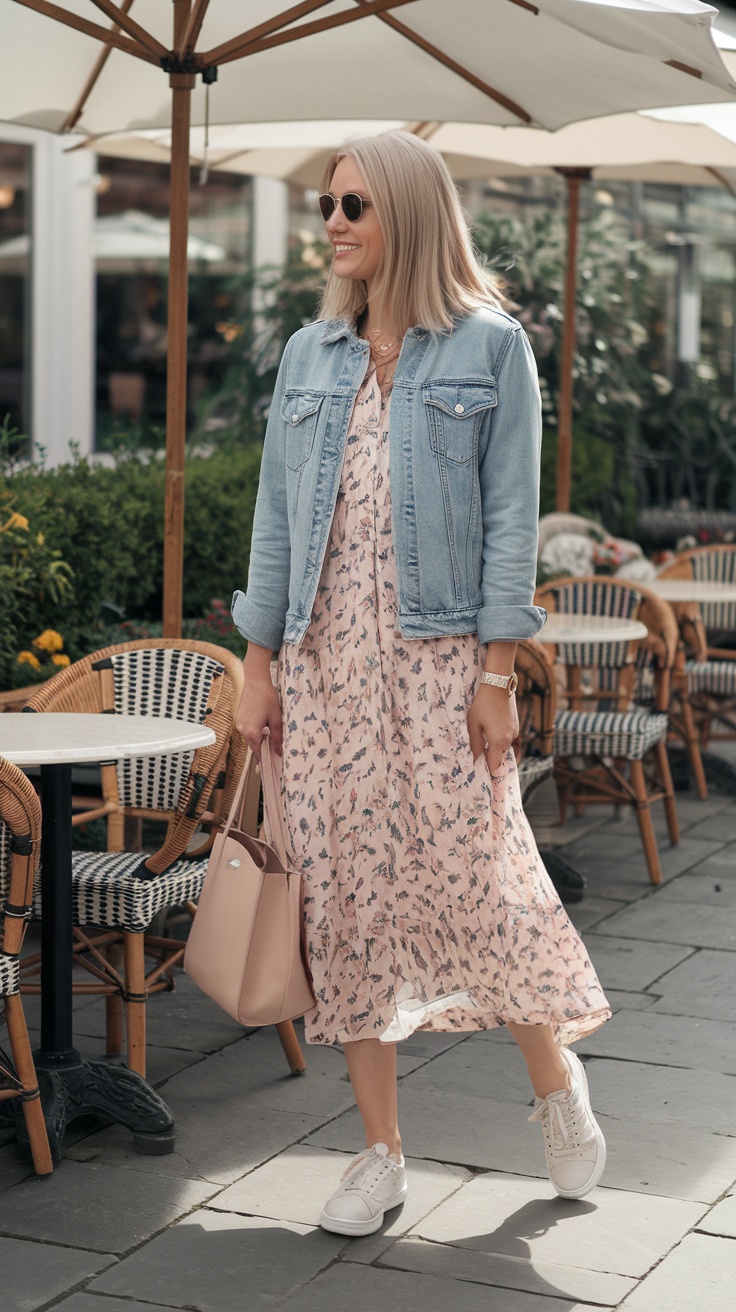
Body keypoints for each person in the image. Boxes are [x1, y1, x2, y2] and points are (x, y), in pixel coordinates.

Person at [232, 130, 611, 1238]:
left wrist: (497, 670)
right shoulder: (309, 354)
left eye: (354, 203)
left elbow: (507, 523)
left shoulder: (490, 349)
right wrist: (257, 665)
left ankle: (556, 1090)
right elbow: (271, 526)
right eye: (326, 207)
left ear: (406, 210)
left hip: (442, 665)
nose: (335, 222)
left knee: (477, 879)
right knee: (344, 899)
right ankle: (379, 1154)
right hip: (320, 665)